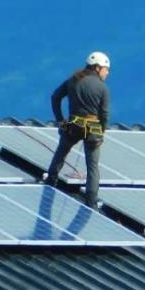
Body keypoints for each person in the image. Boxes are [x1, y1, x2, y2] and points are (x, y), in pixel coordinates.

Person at [45, 51, 111, 206]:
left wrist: (61, 122)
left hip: (74, 122)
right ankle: (91, 201)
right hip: (93, 125)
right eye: (106, 69)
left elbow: (55, 97)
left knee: (61, 153)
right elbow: (104, 114)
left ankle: (50, 181)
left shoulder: (73, 80)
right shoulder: (102, 88)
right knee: (92, 165)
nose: (107, 72)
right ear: (97, 68)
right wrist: (101, 133)